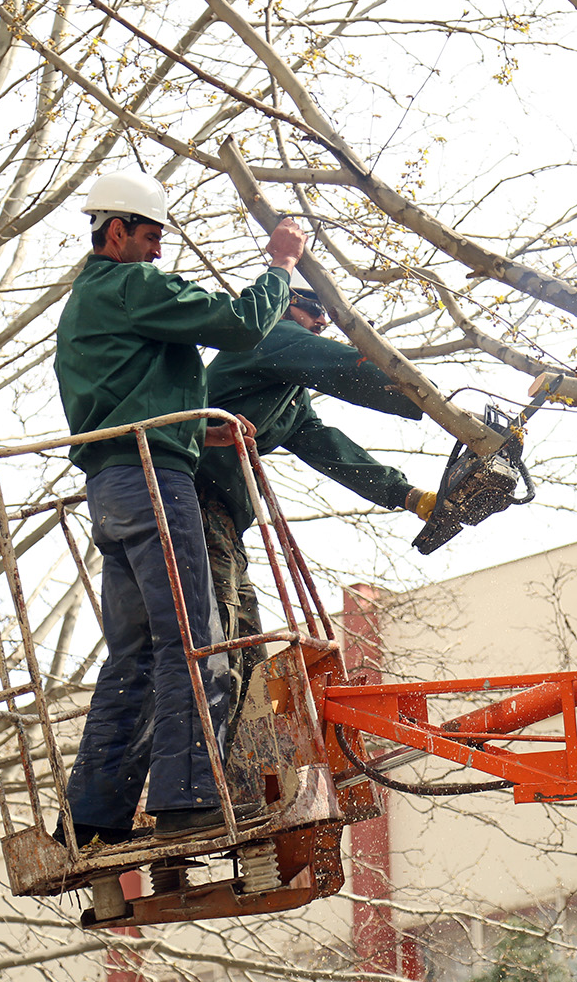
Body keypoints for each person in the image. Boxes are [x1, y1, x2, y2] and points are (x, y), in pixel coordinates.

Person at [53, 169, 307, 846]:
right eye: (150, 236)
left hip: (110, 490)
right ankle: (190, 797)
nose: (158, 252)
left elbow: (127, 390)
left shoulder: (87, 302)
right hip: (153, 481)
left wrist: (201, 429)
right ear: (117, 232)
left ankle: (92, 812)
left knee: (132, 653)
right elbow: (241, 324)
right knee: (197, 638)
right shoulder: (132, 285)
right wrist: (280, 264)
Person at [195, 286, 437, 644]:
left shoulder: (287, 396)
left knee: (241, 635)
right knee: (215, 626)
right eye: (313, 309)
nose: (322, 320)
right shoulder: (268, 336)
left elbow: (328, 448)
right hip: (192, 496)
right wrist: (425, 395)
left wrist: (407, 495)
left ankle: (232, 696)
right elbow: (335, 363)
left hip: (223, 513)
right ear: (284, 306)